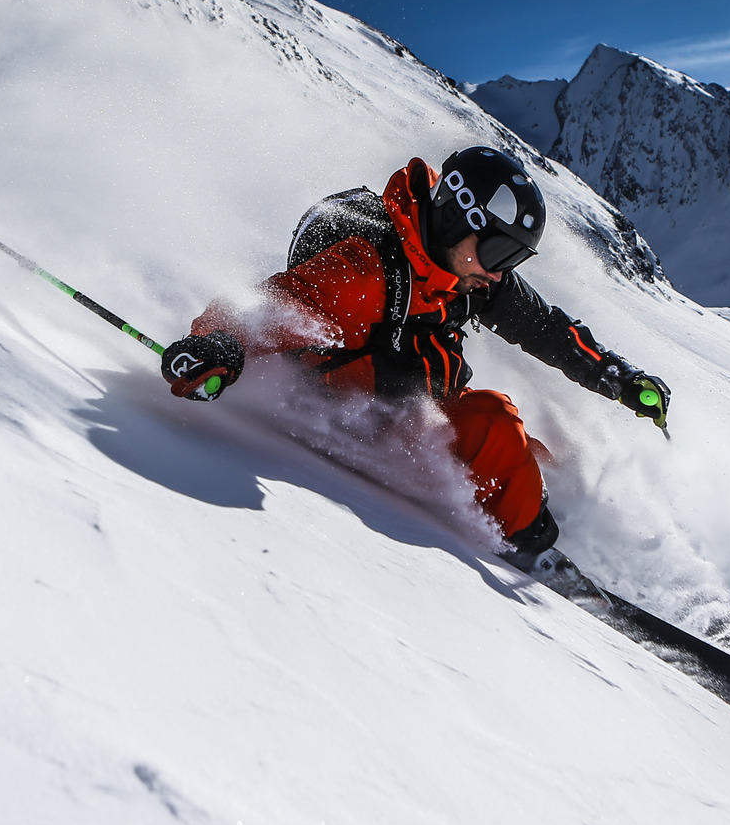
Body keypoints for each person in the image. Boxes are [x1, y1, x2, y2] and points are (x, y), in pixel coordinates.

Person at [160, 146, 669, 566]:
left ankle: (556, 522)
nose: (499, 273)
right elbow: (261, 309)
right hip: (365, 415)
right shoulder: (364, 272)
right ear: (457, 221)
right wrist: (216, 345)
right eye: (498, 253)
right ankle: (533, 547)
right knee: (495, 425)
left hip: (419, 397)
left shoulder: (467, 272)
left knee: (540, 459)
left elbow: (546, 328)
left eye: (513, 258)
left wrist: (619, 377)